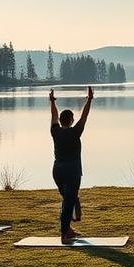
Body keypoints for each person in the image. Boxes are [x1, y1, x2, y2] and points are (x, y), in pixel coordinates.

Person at [50, 87, 93, 243]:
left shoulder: (55, 131)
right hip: (72, 172)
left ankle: (67, 228)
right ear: (71, 120)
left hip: (57, 171)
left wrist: (52, 102)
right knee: (69, 201)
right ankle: (64, 234)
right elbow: (85, 115)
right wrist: (89, 100)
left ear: (61, 121)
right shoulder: (75, 132)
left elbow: (53, 115)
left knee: (68, 199)